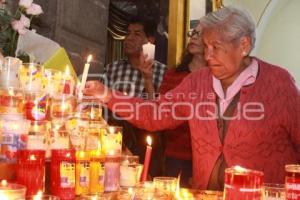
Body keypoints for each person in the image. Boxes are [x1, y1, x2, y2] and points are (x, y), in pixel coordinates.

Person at [85, 6, 300, 190]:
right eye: (205, 47)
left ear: (243, 45)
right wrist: (107, 95)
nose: (207, 55)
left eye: (216, 47)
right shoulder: (197, 82)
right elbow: (155, 113)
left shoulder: (279, 84)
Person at [140, 19, 207, 187]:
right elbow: (158, 110)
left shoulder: (218, 75)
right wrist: (147, 79)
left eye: (200, 34)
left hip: (207, 155)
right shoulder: (175, 74)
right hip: (177, 153)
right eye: (193, 33)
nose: (193, 37)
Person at [103, 15, 167, 177]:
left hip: (146, 138)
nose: (128, 38)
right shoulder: (112, 68)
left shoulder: (163, 72)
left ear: (150, 41)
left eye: (137, 34)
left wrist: (147, 79)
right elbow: (102, 106)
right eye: (128, 33)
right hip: (116, 137)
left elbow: (159, 112)